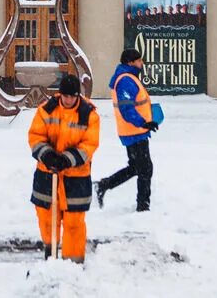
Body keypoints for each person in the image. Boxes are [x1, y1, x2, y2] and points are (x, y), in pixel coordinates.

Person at [28, 73, 99, 263]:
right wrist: (47, 155)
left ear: (77, 96)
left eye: (72, 96)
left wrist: (67, 160)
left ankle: (74, 262)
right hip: (47, 174)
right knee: (47, 218)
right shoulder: (46, 110)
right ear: (60, 95)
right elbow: (36, 136)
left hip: (75, 178)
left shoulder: (88, 114)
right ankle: (50, 255)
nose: (68, 100)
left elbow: (89, 145)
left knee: (74, 222)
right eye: (65, 96)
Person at [95, 48, 157, 213]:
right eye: (139, 61)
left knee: (137, 167)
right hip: (134, 131)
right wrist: (143, 123)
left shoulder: (128, 78)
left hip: (135, 130)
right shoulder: (125, 80)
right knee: (145, 169)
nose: (141, 63)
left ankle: (104, 185)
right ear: (130, 63)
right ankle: (143, 207)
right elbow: (126, 109)